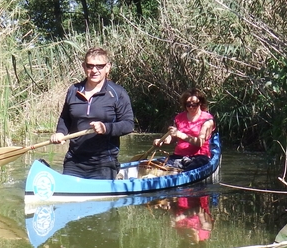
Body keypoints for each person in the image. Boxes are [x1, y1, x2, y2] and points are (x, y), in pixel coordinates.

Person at [51, 47, 134, 179]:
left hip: (104, 163)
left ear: (108, 67)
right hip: (74, 160)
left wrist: (106, 128)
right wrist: (60, 132)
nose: (94, 70)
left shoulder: (118, 93)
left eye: (100, 66)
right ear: (84, 66)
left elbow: (129, 125)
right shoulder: (73, 90)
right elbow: (65, 118)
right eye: (90, 66)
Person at [154, 89, 214, 171]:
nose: (191, 107)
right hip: (178, 156)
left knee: (190, 168)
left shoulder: (207, 120)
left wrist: (179, 134)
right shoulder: (179, 118)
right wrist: (162, 141)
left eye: (194, 104)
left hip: (199, 157)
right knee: (155, 166)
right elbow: (173, 138)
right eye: (188, 104)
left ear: (200, 103)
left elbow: (200, 142)